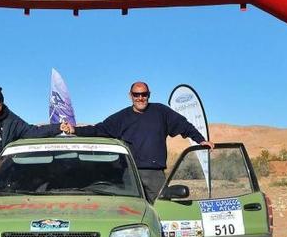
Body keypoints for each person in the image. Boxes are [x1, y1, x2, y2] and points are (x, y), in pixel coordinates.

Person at [62, 81, 213, 201]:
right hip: (129, 174)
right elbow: (99, 129)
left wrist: (201, 140)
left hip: (155, 175)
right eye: (136, 94)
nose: (140, 98)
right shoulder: (121, 118)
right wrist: (76, 130)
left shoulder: (161, 112)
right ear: (130, 95)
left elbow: (184, 125)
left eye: (144, 94)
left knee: (160, 209)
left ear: (149, 95)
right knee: (131, 210)